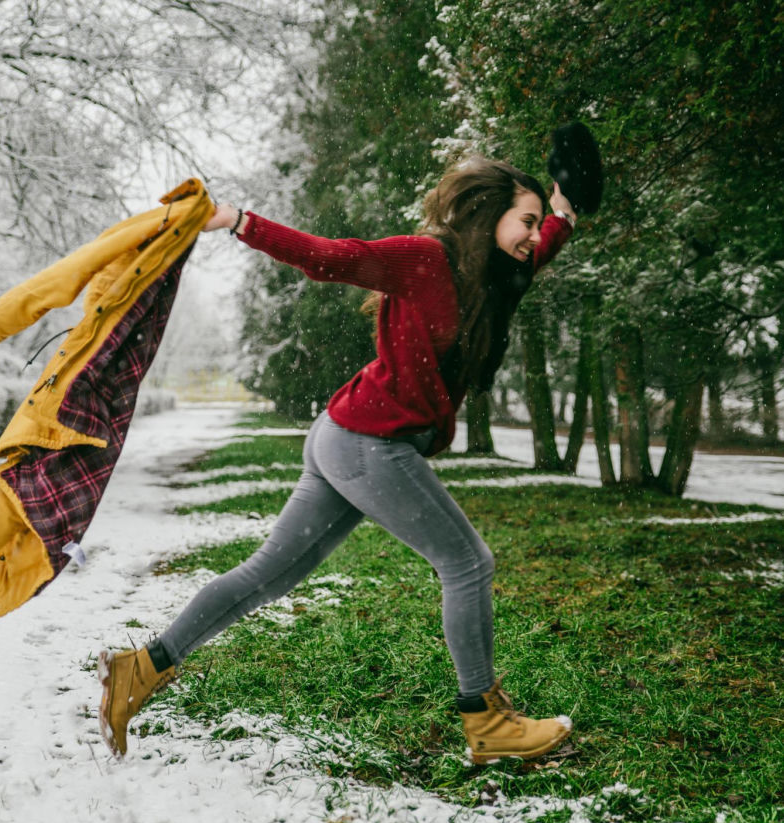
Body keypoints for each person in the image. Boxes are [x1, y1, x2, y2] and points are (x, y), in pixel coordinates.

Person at [98, 157, 579, 765]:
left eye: (537, 225)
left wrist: (560, 215)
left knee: (269, 575)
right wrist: (238, 220)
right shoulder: (427, 258)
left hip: (349, 434)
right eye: (525, 221)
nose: (532, 237)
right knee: (467, 564)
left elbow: (538, 250)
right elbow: (330, 256)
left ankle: (139, 669)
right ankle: (487, 724)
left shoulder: (494, 274)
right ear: (489, 213)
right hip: (366, 441)